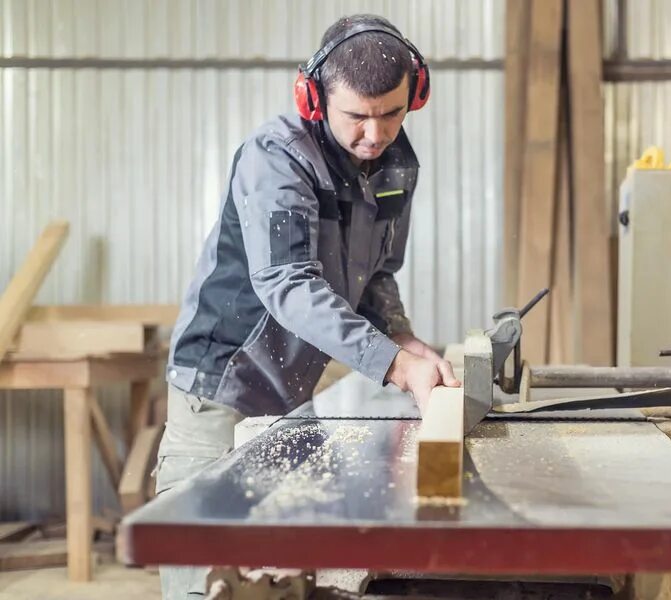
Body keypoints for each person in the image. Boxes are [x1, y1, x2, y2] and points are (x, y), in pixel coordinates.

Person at [156, 14, 459, 598]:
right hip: (221, 387)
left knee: (274, 573)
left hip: (288, 393)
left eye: (392, 113)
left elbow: (376, 277)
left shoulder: (394, 165)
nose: (375, 134)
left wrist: (404, 338)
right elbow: (287, 284)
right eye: (357, 117)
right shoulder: (277, 158)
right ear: (314, 98)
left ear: (413, 94)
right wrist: (396, 366)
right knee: (207, 573)